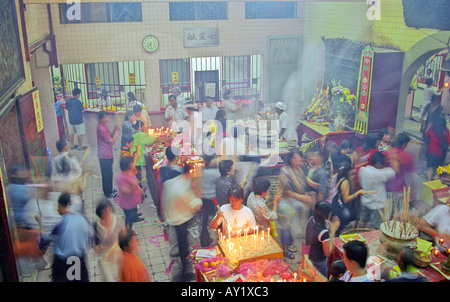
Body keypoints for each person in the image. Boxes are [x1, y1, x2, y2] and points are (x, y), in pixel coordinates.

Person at [162, 162, 203, 282]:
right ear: (190, 172)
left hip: (173, 216)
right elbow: (195, 205)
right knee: (183, 245)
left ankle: (183, 263)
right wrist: (198, 192)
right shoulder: (182, 189)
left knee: (181, 243)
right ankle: (185, 272)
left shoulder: (173, 181)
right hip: (180, 219)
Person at [37, 192, 92, 282]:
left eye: (58, 206)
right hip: (79, 261)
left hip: (63, 265)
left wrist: (40, 224)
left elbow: (43, 245)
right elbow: (89, 240)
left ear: (61, 206)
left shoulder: (60, 225)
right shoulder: (83, 220)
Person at [277, 151, 315, 255]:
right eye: (296, 159)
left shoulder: (302, 168)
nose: (299, 161)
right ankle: (286, 248)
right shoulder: (285, 172)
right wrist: (303, 197)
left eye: (300, 159)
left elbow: (306, 181)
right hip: (286, 202)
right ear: (290, 159)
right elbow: (287, 192)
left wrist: (315, 187)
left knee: (295, 224)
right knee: (286, 225)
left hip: (298, 200)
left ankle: (291, 243)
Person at [301, 240, 371, 282]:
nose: (343, 261)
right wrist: (313, 271)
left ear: (354, 263)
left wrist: (311, 276)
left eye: (345, 259)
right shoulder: (351, 272)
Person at [358, 151, 396, 229]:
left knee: (362, 221)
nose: (383, 166)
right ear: (378, 163)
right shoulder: (379, 173)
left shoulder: (363, 170)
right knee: (375, 226)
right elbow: (393, 171)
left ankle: (360, 234)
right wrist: (392, 157)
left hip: (365, 201)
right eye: (383, 163)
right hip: (377, 205)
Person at [331, 160, 368, 236]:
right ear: (348, 171)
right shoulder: (345, 182)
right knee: (344, 230)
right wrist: (357, 193)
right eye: (352, 169)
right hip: (343, 211)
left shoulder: (336, 176)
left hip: (336, 207)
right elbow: (346, 199)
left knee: (338, 230)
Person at [92, 197, 124, 282]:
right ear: (100, 213)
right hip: (105, 260)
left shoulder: (117, 220)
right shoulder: (96, 225)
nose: (107, 213)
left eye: (108, 209)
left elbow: (123, 236)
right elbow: (94, 244)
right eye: (104, 211)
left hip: (118, 257)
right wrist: (98, 248)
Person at [305, 201, 340, 277]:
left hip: (309, 255)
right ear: (325, 215)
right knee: (321, 278)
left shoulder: (311, 219)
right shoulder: (323, 232)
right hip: (318, 261)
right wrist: (333, 231)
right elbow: (328, 252)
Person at [385, 132, 415, 214]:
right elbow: (409, 176)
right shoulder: (408, 156)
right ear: (404, 144)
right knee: (397, 214)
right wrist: (411, 191)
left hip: (385, 190)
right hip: (399, 190)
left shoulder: (386, 154)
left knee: (386, 214)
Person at [97, 111, 121, 198]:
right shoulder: (101, 128)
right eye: (106, 117)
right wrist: (117, 131)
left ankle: (109, 189)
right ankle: (108, 193)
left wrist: (115, 128)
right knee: (106, 174)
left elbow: (109, 136)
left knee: (109, 173)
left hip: (107, 154)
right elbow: (112, 141)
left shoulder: (103, 126)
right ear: (102, 119)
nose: (108, 118)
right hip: (104, 155)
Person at [117, 156, 144, 231]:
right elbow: (124, 191)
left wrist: (140, 189)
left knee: (132, 215)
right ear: (127, 165)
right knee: (129, 218)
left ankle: (129, 230)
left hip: (133, 201)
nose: (133, 164)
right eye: (131, 162)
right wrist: (132, 186)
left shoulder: (129, 171)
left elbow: (135, 183)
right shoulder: (121, 177)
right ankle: (128, 232)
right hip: (127, 204)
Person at [199, 154, 220, 247]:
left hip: (203, 197)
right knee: (217, 219)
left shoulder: (202, 169)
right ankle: (220, 239)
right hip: (213, 199)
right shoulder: (215, 172)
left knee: (204, 220)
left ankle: (204, 240)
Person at [423, 114, 450, 181]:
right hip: (441, 153)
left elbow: (425, 137)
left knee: (430, 167)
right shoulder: (445, 131)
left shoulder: (431, 129)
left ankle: (429, 181)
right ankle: (435, 180)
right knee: (438, 168)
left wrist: (428, 127)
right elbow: (449, 142)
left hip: (431, 152)